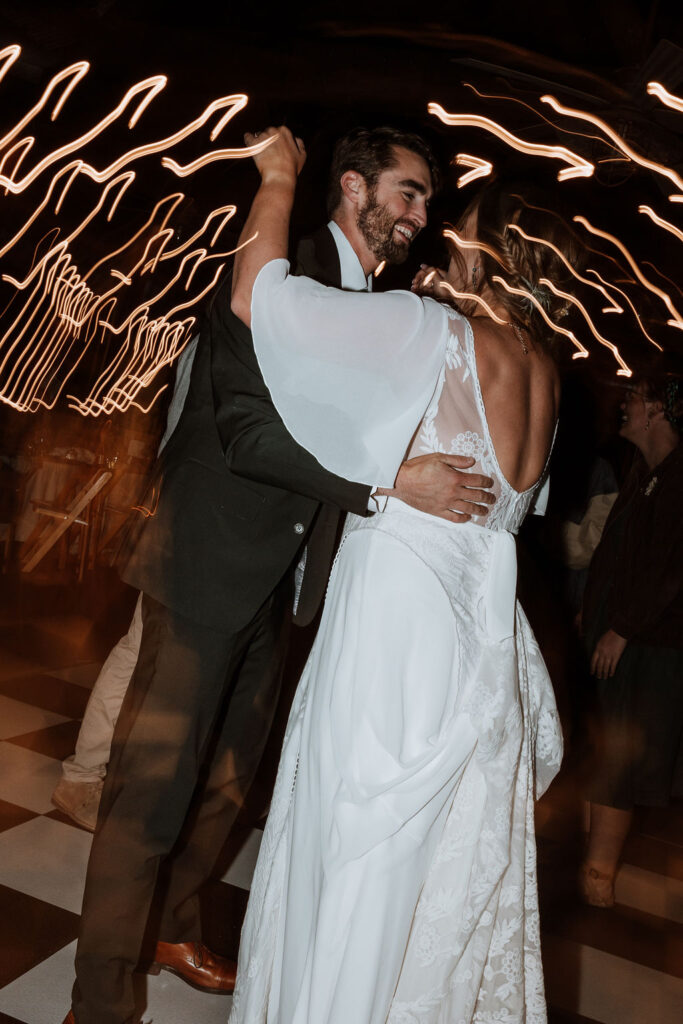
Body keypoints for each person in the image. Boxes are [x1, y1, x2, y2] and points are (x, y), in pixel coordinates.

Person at [63, 126, 497, 1024]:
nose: (423, 214)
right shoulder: (271, 275)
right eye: (409, 193)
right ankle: (99, 1000)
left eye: (426, 198)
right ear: (352, 188)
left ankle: (174, 927)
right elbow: (247, 434)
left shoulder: (375, 302)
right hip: (207, 565)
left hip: (288, 581)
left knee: (230, 782)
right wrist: (387, 489)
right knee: (152, 790)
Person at [227, 127, 574, 1023]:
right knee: (436, 844)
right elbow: (512, 508)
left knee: (356, 821)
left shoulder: (436, 331)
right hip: (484, 620)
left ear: (478, 251)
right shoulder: (547, 372)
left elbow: (260, 298)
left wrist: (276, 181)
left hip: (401, 608)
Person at [52, 336, 200, 832]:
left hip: (179, 510)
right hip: (185, 518)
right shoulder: (228, 321)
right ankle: (87, 776)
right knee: (141, 654)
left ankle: (94, 775)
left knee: (141, 652)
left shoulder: (215, 318)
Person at [580, 371, 683, 908]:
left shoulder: (678, 478)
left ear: (661, 411)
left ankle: (598, 880)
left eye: (636, 398)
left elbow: (671, 574)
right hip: (622, 639)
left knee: (621, 762)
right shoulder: (646, 470)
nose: (624, 403)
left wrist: (621, 628)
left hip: (648, 648)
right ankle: (591, 871)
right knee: (606, 754)